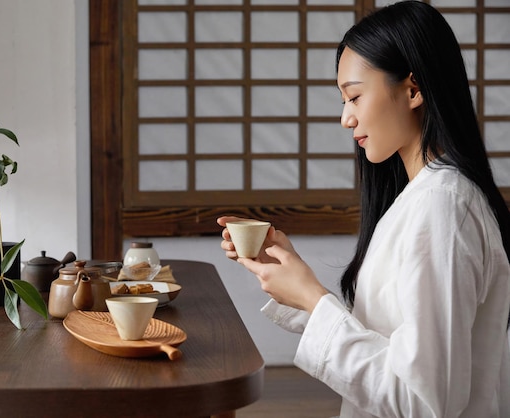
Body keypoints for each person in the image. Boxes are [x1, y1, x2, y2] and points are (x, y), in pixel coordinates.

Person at [218, 1, 510, 416]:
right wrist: (297, 287)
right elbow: (388, 338)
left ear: (413, 89)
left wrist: (315, 299)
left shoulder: (443, 206)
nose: (345, 118)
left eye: (354, 96)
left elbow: (425, 401)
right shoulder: (423, 198)